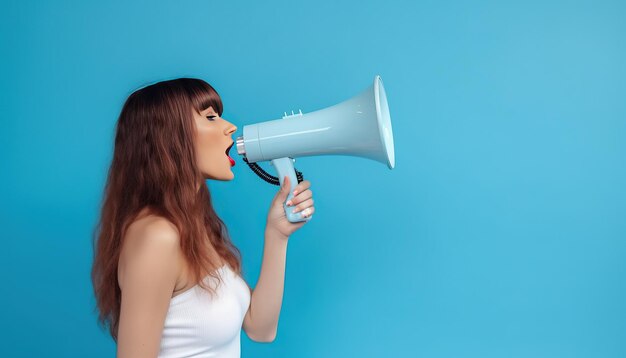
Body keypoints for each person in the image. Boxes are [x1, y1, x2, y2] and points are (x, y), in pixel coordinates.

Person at [91, 78, 315, 358]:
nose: (230, 127)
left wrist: (277, 235)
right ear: (169, 136)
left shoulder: (196, 228)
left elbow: (261, 329)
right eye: (210, 117)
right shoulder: (156, 236)